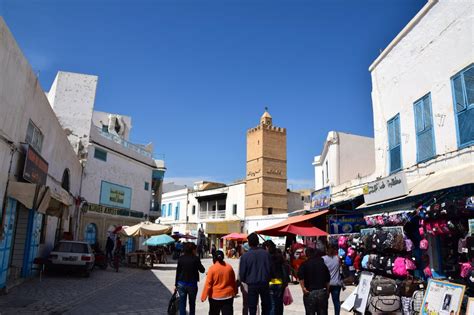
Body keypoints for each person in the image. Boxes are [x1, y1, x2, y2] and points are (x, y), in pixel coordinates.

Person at [239, 233, 271, 315]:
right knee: (266, 306)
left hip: (252, 284)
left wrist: (246, 280)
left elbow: (242, 274)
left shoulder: (245, 256)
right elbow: (270, 269)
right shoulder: (266, 254)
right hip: (264, 283)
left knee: (252, 307)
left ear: (249, 243)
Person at [201, 250, 237, 315]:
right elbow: (233, 281)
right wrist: (235, 291)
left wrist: (204, 296)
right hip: (228, 296)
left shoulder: (212, 269)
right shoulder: (229, 267)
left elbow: (208, 284)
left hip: (215, 297)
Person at [298, 247, 330, 315]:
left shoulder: (304, 264)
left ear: (306, 254)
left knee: (310, 313)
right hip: (322, 292)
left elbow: (301, 277)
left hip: (310, 293)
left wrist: (303, 288)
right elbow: (328, 278)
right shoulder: (322, 264)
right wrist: (327, 290)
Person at [175, 243, 205, 315]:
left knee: (182, 304)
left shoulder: (181, 258)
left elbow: (178, 272)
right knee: (192, 304)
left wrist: (176, 284)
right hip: (192, 284)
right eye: (195, 249)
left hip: (181, 284)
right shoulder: (196, 259)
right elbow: (202, 270)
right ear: (193, 250)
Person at [265, 241, 290, 315]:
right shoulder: (280, 257)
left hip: (271, 281)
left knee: (272, 304)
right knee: (279, 303)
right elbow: (285, 269)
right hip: (279, 282)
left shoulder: (268, 258)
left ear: (267, 247)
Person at [323, 243, 343, 315]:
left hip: (326, 284)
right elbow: (341, 270)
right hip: (336, 283)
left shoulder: (323, 259)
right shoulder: (338, 258)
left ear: (326, 249)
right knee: (336, 302)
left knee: (325, 302)